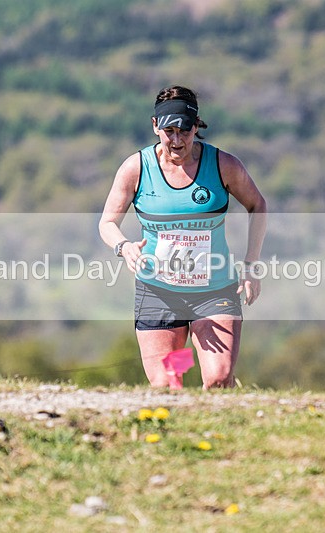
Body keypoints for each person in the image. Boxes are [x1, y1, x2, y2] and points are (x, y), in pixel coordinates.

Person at [99, 85, 267, 389]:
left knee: (218, 378)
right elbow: (107, 222)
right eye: (169, 131)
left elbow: (258, 205)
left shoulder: (224, 165)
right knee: (167, 383)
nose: (177, 140)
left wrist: (251, 265)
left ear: (196, 126)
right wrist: (123, 247)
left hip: (213, 291)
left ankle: (221, 431)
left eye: (185, 131)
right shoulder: (136, 168)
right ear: (155, 126)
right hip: (159, 291)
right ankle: (183, 360)